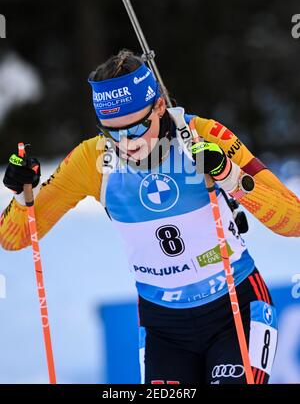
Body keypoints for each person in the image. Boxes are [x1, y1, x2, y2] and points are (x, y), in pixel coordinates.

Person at [1, 49, 299, 384]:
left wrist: (230, 176)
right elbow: (14, 238)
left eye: (137, 127)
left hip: (235, 308)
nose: (127, 143)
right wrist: (22, 195)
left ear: (159, 106)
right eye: (113, 132)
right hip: (165, 329)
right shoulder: (91, 160)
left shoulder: (204, 136)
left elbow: (294, 220)